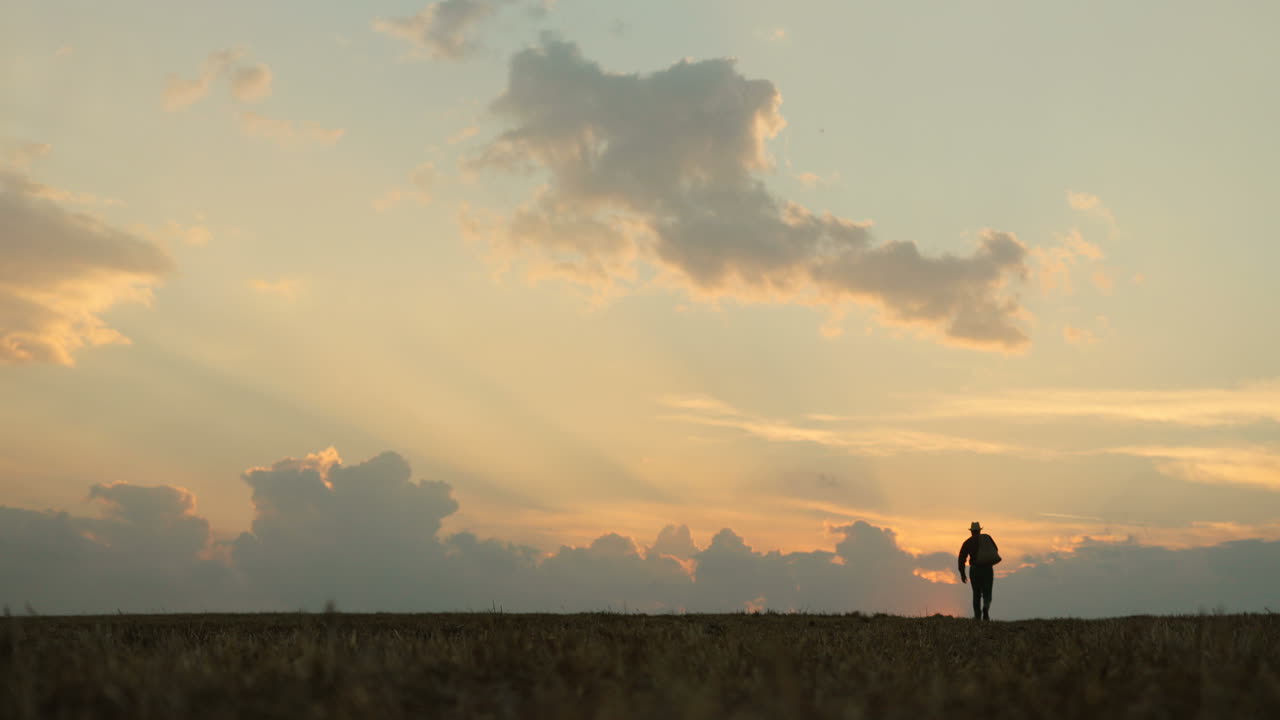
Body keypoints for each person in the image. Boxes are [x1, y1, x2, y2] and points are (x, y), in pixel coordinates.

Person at [958, 521, 1000, 621]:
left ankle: (977, 616)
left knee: (976, 593)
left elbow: (962, 558)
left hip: (975, 570)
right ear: (980, 530)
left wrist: (962, 573)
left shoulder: (968, 542)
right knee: (987, 592)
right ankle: (986, 607)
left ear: (971, 531)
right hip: (987, 569)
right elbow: (995, 549)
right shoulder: (987, 538)